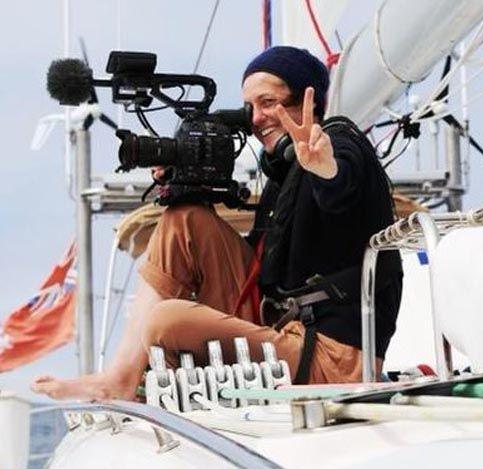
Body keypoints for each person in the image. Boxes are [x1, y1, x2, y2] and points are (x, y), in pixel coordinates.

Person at [31, 46, 402, 401]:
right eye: (250, 107)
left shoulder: (340, 142)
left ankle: (138, 384)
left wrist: (327, 169)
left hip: (329, 358)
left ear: (310, 102)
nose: (256, 119)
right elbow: (259, 263)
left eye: (269, 103)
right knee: (185, 219)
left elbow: (342, 184)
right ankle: (120, 377)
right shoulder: (282, 172)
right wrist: (181, 183)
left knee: (164, 322)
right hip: (280, 325)